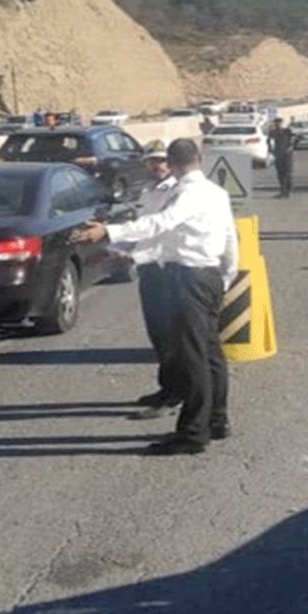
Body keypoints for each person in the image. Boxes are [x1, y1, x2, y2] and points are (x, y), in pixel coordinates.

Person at [71, 139, 239, 456]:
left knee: (194, 359)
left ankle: (193, 434)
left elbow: (162, 223)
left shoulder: (187, 193)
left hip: (189, 279)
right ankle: (216, 420)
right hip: (207, 275)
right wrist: (227, 275)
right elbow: (227, 236)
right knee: (210, 354)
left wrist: (109, 232)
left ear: (173, 164)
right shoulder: (216, 192)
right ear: (200, 159)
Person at [117, 140, 181, 420]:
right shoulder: (148, 191)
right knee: (157, 333)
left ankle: (177, 393)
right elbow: (142, 230)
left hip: (167, 267)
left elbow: (165, 231)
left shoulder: (178, 192)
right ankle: (166, 387)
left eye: (162, 160)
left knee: (172, 335)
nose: (157, 166)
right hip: (148, 268)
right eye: (152, 161)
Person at [268, 117, 297, 198]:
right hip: (278, 154)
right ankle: (282, 190)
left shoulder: (287, 131)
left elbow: (294, 139)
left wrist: (290, 148)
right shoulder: (273, 132)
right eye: (276, 123)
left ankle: (289, 191)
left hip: (287, 155)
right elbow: (269, 142)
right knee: (280, 173)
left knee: (288, 173)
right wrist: (271, 151)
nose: (278, 124)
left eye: (279, 123)